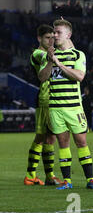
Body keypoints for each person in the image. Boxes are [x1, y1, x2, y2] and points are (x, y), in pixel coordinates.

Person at [39, 19, 93, 190]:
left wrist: (59, 64)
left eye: (58, 32)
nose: (55, 35)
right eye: (54, 32)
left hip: (74, 107)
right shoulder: (48, 55)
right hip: (55, 108)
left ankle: (90, 180)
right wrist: (51, 61)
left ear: (68, 35)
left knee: (81, 142)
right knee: (63, 144)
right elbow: (42, 78)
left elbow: (79, 76)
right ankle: (67, 181)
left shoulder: (78, 55)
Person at [24, 24, 61, 186]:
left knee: (49, 137)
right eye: (48, 37)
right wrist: (51, 58)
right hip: (45, 99)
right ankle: (33, 175)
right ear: (39, 38)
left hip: (53, 99)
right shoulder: (38, 54)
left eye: (53, 37)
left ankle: (46, 176)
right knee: (43, 137)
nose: (51, 40)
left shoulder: (51, 52)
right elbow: (44, 61)